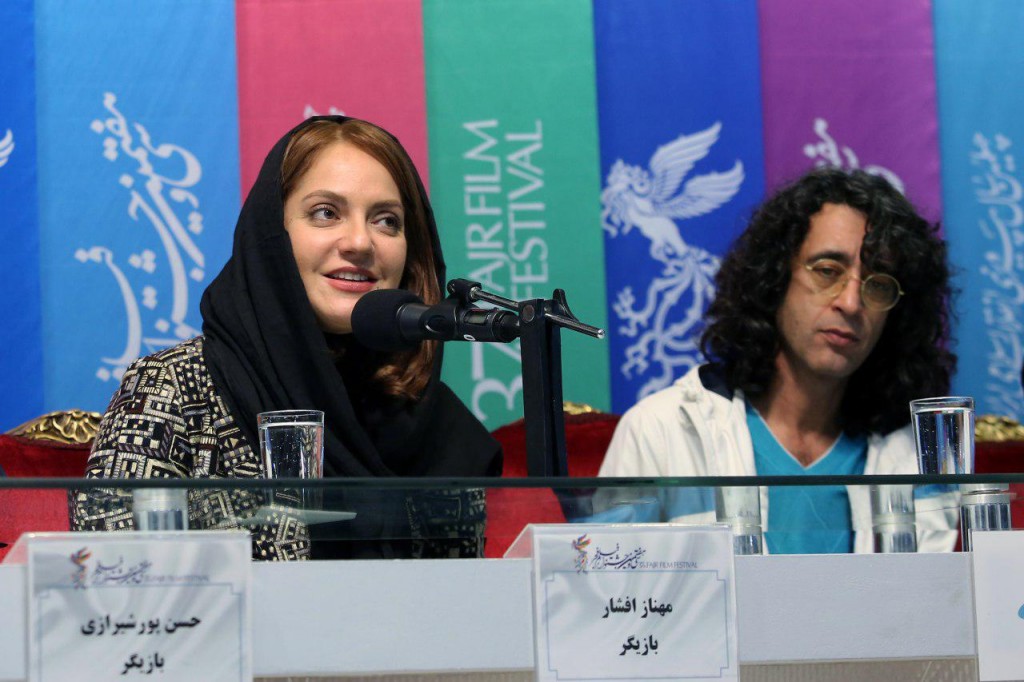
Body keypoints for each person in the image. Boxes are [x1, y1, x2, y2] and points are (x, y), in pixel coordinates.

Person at [72, 116, 502, 559]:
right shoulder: (175, 389)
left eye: (386, 220)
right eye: (326, 213)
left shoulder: (433, 417)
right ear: (271, 234)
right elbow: (112, 572)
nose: (360, 242)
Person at [598, 168, 958, 553]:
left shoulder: (917, 457)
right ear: (775, 277)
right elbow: (606, 580)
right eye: (827, 271)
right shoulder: (663, 429)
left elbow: (935, 590)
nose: (851, 303)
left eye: (879, 285)